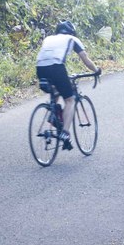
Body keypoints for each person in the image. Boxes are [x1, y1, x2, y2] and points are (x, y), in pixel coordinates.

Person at [36, 20, 100, 150]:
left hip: (40, 68)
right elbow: (85, 59)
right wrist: (96, 70)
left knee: (56, 91)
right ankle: (65, 132)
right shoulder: (72, 39)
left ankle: (54, 114)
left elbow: (48, 55)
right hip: (57, 68)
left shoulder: (49, 38)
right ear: (72, 32)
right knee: (70, 100)